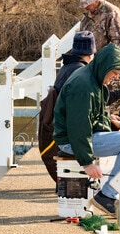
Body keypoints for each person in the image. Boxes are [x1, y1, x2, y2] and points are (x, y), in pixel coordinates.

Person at [53, 43, 120, 215]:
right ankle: (107, 195)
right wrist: (87, 162)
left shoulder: (94, 78)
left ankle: (119, 186)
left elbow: (97, 113)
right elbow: (78, 127)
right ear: (105, 66)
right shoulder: (83, 86)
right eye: (115, 73)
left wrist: (113, 124)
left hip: (87, 134)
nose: (115, 78)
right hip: (72, 141)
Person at [38, 31, 96, 182]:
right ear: (91, 54)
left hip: (56, 125)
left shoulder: (66, 68)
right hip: (66, 131)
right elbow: (79, 110)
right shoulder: (80, 72)